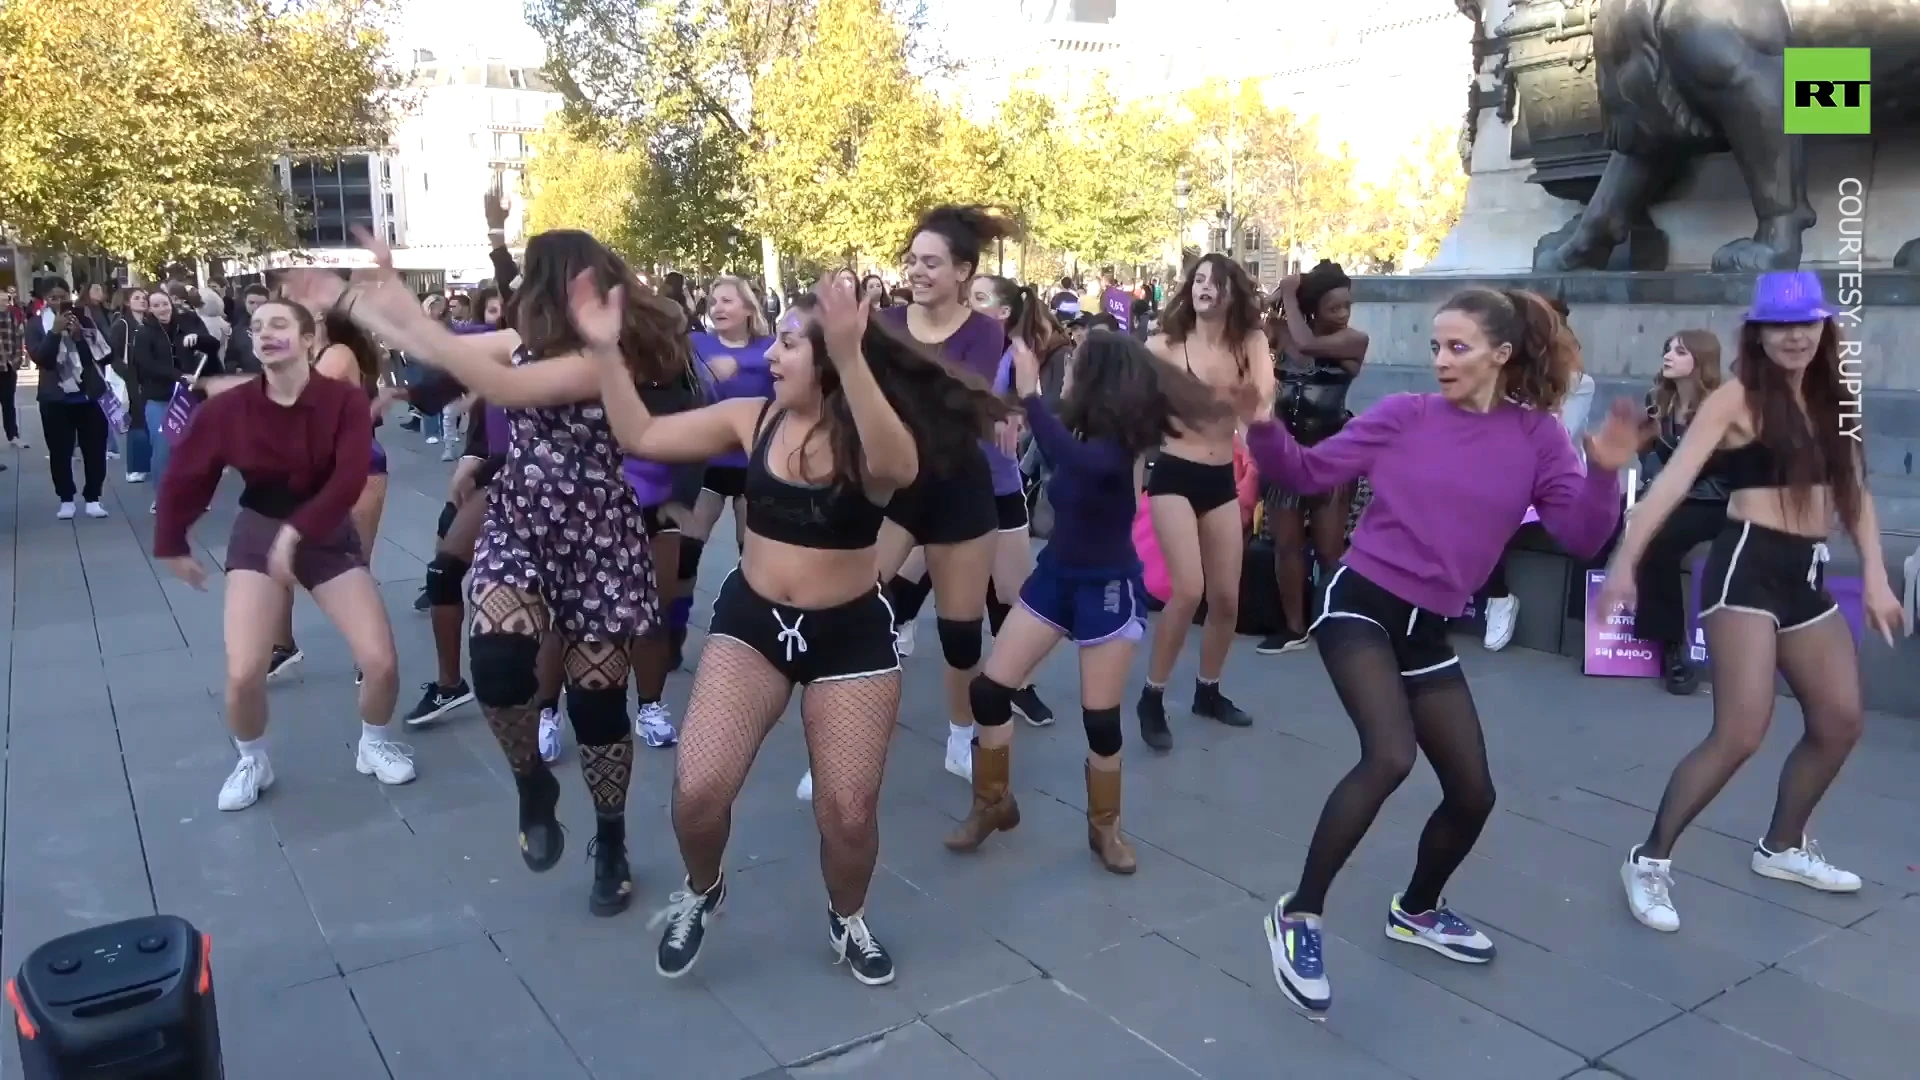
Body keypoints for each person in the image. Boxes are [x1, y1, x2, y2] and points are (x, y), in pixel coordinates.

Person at [1245, 287, 1637, 1013]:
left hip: (1427, 627)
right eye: (1435, 346)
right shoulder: (1405, 416)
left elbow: (1581, 539)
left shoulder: (1538, 439)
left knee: (1473, 793)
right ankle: (1299, 912)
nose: (1441, 361)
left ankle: (1416, 909)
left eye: (1457, 347)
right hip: (1360, 603)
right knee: (1389, 755)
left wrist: (1606, 470)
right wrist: (1261, 421)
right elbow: (1302, 474)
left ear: (1502, 354)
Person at [611, 274, 1005, 985]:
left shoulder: (874, 441)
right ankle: (703, 890)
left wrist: (852, 354)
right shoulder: (748, 418)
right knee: (697, 791)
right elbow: (640, 432)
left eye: (789, 344)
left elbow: (900, 466)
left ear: (827, 362)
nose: (771, 356)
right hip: (752, 624)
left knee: (847, 815)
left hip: (849, 637)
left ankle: (846, 916)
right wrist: (601, 350)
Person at [288, 227, 677, 918]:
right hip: (522, 521)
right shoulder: (517, 342)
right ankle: (532, 782)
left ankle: (611, 839)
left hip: (599, 536)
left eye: (536, 276)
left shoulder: (605, 356)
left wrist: (360, 297)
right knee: (496, 666)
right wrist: (370, 293)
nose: (524, 287)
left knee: (595, 707)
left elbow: (499, 383)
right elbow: (431, 348)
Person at [1601, 271, 1900, 935]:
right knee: (1740, 730)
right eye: (1781, 326)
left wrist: (1876, 576)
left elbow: (1856, 492)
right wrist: (1625, 561)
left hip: (1806, 573)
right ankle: (1649, 860)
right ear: (1759, 333)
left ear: (1824, 328)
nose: (1795, 337)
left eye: (1807, 324)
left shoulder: (1834, 398)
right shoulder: (1736, 398)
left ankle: (1784, 846)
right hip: (1746, 567)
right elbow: (1671, 484)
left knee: (1841, 719)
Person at [946, 330, 1228, 873]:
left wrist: (1031, 395)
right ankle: (993, 802)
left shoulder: (1121, 443)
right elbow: (1055, 444)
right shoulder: (1080, 427)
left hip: (1106, 586)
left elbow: (1076, 464)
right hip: (1055, 578)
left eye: (1076, 366)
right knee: (989, 690)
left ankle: (1105, 829)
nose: (1066, 373)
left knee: (1100, 721)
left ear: (1098, 378)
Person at [152, 298, 412, 811]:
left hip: (326, 532)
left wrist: (299, 533)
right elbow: (188, 472)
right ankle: (252, 759)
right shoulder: (231, 409)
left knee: (379, 661)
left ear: (310, 339)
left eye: (279, 324)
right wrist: (172, 541)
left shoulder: (343, 402)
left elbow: (348, 479)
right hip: (258, 533)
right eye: (257, 327)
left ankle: (374, 744)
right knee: (244, 670)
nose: (266, 333)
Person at [826, 205, 1012, 794]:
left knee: (960, 634)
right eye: (912, 261)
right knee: (850, 610)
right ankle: (835, 743)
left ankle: (962, 733)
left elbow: (955, 404)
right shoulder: (882, 323)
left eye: (931, 262)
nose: (918, 271)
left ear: (963, 271)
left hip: (959, 488)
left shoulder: (984, 330)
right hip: (895, 490)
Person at [1137, 255, 1269, 749]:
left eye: (1214, 282)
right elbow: (1131, 405)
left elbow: (1261, 403)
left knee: (1227, 598)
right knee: (1187, 590)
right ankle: (1152, 695)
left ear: (1232, 291)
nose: (1204, 288)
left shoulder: (1249, 342)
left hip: (1220, 478)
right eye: (1197, 280)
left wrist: (1257, 415)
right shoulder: (1163, 345)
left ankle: (1208, 691)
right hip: (1173, 471)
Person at [1258, 261, 1367, 655]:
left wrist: (1288, 293)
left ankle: (1334, 621)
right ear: (1313, 308)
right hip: (1286, 451)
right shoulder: (1282, 332)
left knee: (1328, 548)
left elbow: (1305, 345)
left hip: (1331, 455)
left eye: (1346, 307)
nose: (1342, 315)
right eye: (1333, 307)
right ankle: (1294, 627)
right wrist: (1276, 299)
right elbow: (1248, 327)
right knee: (1285, 544)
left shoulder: (1354, 340)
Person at [674, 275, 776, 675]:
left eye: (728, 301)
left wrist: (741, 362)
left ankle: (757, 638)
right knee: (686, 552)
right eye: (713, 301)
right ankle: (673, 631)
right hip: (708, 462)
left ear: (749, 309)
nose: (717, 307)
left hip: (757, 463)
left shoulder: (769, 349)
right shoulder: (697, 345)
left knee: (754, 555)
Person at [1632, 329, 1728, 695]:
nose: (1669, 355)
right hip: (1678, 495)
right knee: (1625, 526)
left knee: (1660, 538)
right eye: (1667, 348)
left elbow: (1727, 475)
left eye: (1680, 351)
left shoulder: (1722, 404)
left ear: (1700, 361)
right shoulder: (1658, 401)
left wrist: (1667, 496)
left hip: (1717, 499)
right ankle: (1598, 632)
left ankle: (1673, 650)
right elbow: (1652, 457)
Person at [24, 278, 112, 518]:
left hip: (88, 396)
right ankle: (66, 498)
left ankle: (93, 497)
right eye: (53, 297)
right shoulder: (35, 324)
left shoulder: (86, 318)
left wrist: (79, 337)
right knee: (60, 451)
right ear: (45, 300)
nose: (59, 301)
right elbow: (41, 359)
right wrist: (54, 333)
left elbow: (104, 355)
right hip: (55, 397)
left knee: (94, 449)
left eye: (63, 296)